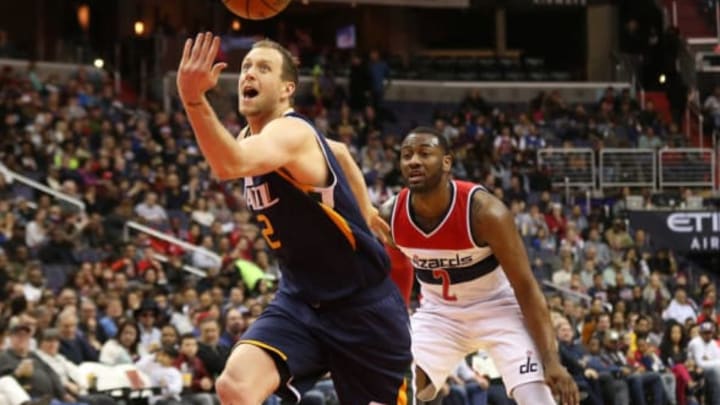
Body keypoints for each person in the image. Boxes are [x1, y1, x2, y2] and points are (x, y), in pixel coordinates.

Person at [176, 33, 412, 404]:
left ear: (287, 89)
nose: (249, 74)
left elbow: (228, 164)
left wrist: (193, 99)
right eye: (247, 67)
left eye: (263, 68)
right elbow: (341, 152)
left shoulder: (291, 131)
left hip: (363, 309)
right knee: (235, 386)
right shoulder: (252, 136)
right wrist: (363, 208)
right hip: (301, 301)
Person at [378, 127, 579, 405]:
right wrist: (394, 330)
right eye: (407, 155)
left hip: (499, 310)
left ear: (447, 162)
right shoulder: (390, 214)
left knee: (538, 400)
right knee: (385, 386)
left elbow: (526, 287)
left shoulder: (486, 212)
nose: (413, 161)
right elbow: (397, 273)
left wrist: (551, 360)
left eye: (425, 153)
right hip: (439, 315)